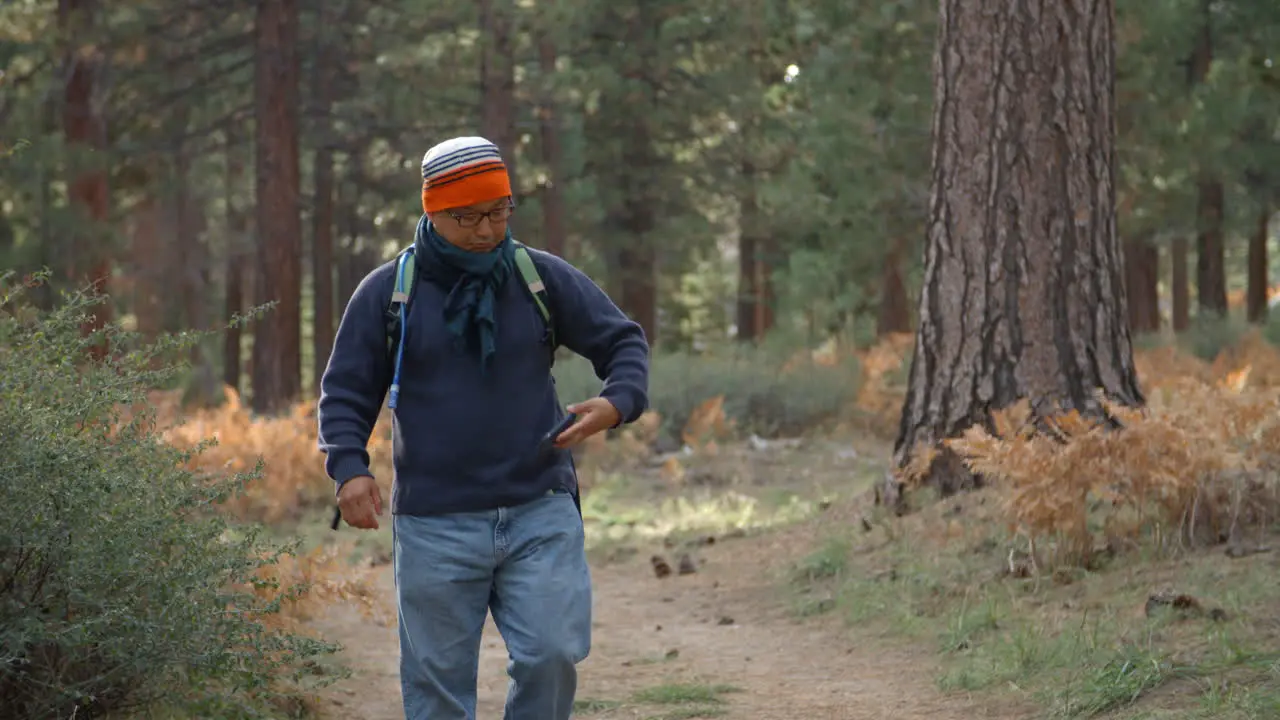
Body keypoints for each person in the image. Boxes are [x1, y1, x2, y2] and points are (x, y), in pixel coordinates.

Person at [316, 135, 650, 720]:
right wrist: (349, 468)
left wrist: (617, 401)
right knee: (437, 688)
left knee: (551, 656)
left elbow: (622, 341)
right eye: (465, 217)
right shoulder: (390, 293)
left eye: (498, 212)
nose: (485, 230)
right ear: (431, 210)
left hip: (539, 507)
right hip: (434, 523)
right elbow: (344, 391)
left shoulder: (537, 277)